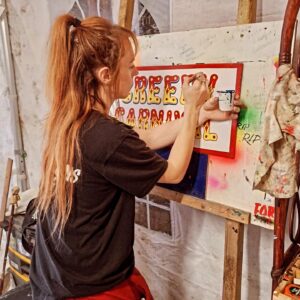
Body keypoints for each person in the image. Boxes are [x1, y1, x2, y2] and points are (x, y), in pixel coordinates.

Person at [29, 14, 242, 300]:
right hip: (87, 289)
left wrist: (201, 115)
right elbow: (174, 171)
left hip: (53, 276)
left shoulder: (68, 119)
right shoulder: (107, 136)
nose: (136, 73)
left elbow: (146, 138)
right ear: (105, 75)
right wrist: (192, 106)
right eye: (129, 67)